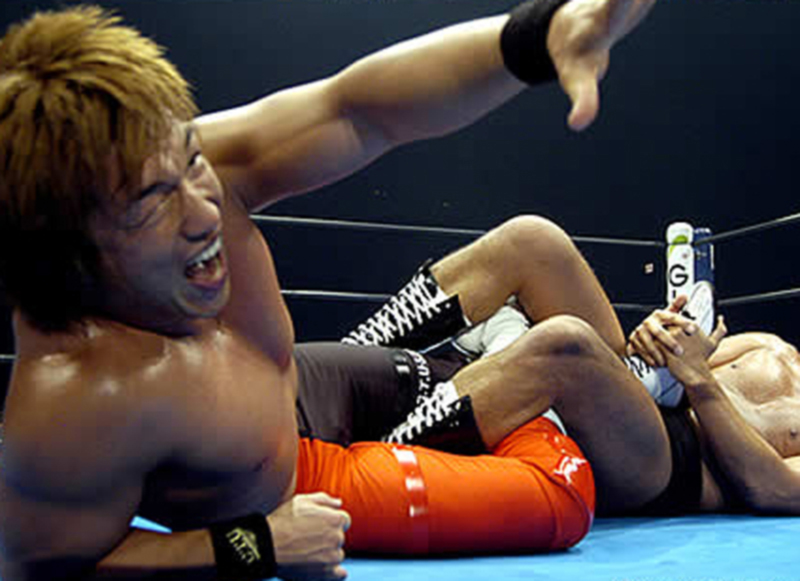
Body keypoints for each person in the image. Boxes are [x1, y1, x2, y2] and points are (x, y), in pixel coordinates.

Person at [0, 2, 659, 580]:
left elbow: (359, 109)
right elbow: (43, 566)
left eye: (192, 161)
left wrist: (535, 36)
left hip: (310, 384)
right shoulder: (75, 397)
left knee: (530, 252)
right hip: (292, 478)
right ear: (72, 245)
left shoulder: (193, 167)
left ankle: (607, 386)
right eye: (152, 202)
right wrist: (251, 546)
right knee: (558, 460)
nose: (204, 212)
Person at [335, 214, 800, 517]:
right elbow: (665, 371)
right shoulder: (766, 346)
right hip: (638, 399)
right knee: (533, 241)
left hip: (669, 464)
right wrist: (652, 338)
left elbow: (774, 489)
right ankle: (333, 373)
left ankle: (369, 462)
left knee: (566, 343)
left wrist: (700, 383)